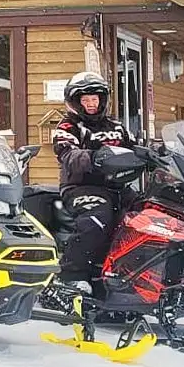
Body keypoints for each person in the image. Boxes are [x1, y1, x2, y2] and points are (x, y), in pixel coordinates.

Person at [51, 71, 134, 290]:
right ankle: (71, 275)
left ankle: (130, 275)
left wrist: (157, 153)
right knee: (97, 219)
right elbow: (66, 153)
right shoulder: (68, 127)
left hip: (117, 186)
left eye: (94, 99)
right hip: (81, 187)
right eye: (85, 100)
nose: (90, 104)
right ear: (75, 102)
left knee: (147, 216)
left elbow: (134, 147)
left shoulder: (116, 126)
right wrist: (94, 156)